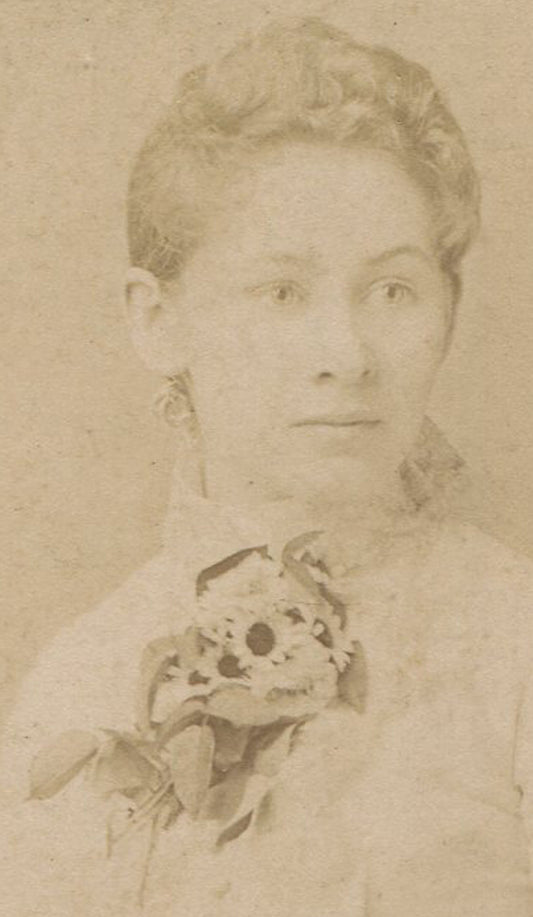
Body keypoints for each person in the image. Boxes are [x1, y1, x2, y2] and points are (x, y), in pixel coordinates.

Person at [2, 16, 533, 916]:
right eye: (282, 291)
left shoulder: (514, 646)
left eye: (392, 289)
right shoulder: (78, 677)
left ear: (447, 313)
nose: (346, 351)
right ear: (156, 319)